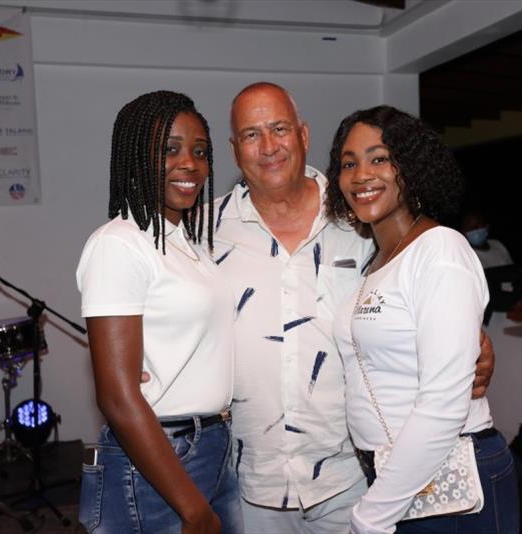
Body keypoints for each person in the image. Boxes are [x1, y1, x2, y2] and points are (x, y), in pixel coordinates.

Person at [209, 81, 496, 533]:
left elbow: (421, 301)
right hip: (252, 485)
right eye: (251, 134)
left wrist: (472, 343)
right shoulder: (205, 233)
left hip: (356, 482)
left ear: (303, 135)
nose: (268, 146)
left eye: (279, 128)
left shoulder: (360, 221)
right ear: (233, 148)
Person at [326, 105, 519, 533]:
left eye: (379, 158)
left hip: (450, 476)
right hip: (403, 477)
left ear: (410, 167)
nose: (361, 175)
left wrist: (371, 516)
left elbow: (443, 402)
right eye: (349, 163)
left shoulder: (441, 251)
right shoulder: (378, 261)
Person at [75, 91, 241, 534]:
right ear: (137, 154)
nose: (190, 163)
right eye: (170, 149)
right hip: (160, 458)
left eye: (200, 151)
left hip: (211, 445)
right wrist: (193, 509)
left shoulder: (185, 242)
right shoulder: (119, 244)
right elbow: (115, 396)